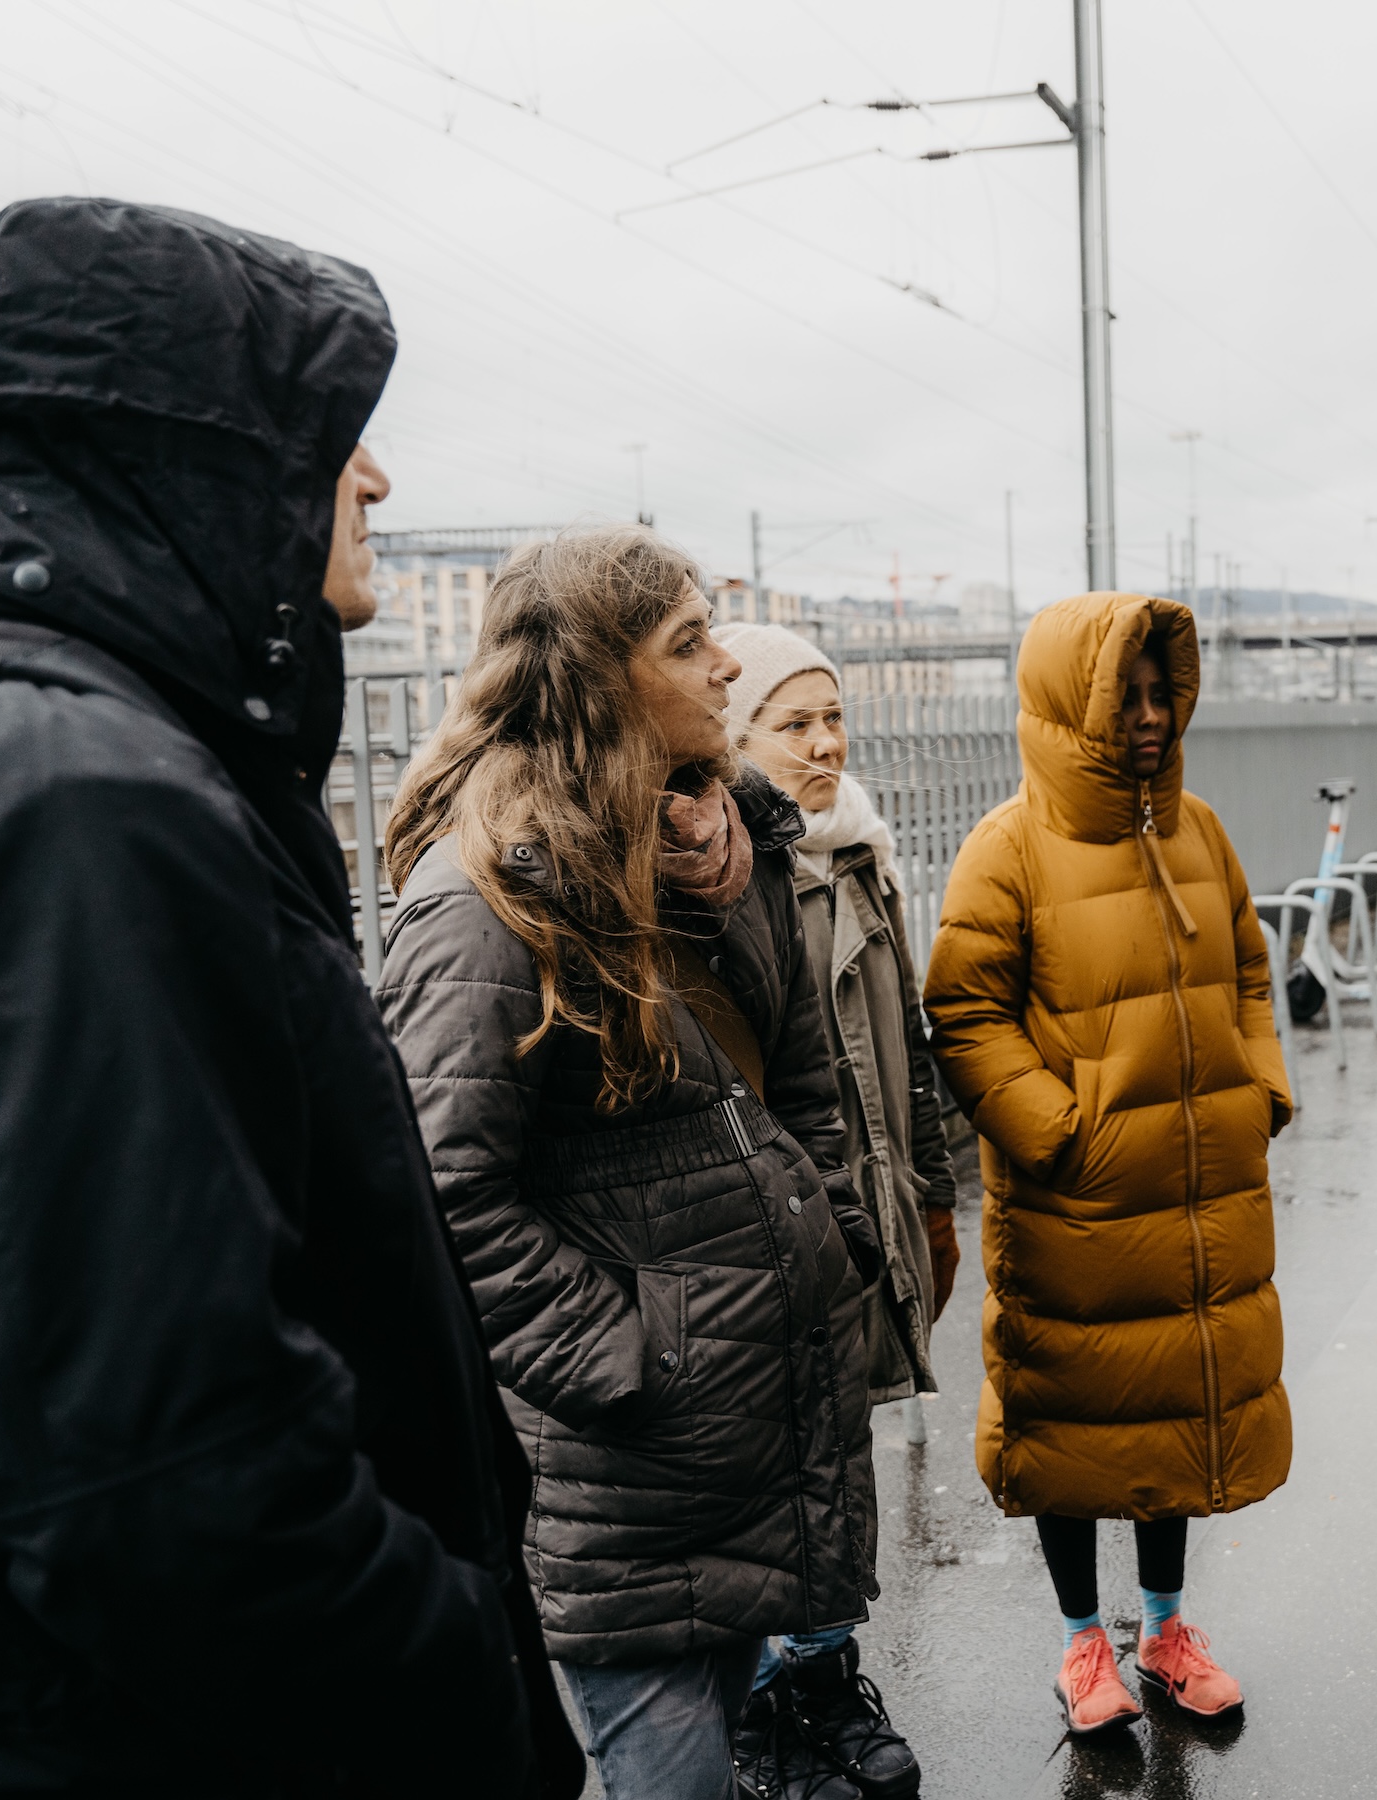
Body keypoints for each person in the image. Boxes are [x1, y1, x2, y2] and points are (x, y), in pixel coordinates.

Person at [0, 198, 581, 1796]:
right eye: (328, 437)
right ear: (179, 462)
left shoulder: (7, 750)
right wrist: (463, 1698)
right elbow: (161, 1480)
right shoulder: (67, 801)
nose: (372, 478)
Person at [376, 527, 886, 1800]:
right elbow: (440, 1192)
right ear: (601, 678)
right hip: (634, 1461)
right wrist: (629, 1354)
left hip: (742, 1415)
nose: (725, 666)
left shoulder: (721, 842)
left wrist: (830, 1242)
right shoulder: (486, 898)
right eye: (687, 642)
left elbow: (804, 1076)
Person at [923, 593, 1292, 1735]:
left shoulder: (1202, 831)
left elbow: (1247, 969)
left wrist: (1260, 1089)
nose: (1146, 716)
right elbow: (964, 1012)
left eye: (1157, 692)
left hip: (1194, 1190)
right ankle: (1086, 1645)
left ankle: (1166, 1631)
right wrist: (1056, 1133)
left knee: (1175, 1415)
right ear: (1064, 705)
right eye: (1121, 696)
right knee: (1074, 1426)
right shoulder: (1008, 848)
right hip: (1075, 1204)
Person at [718, 623, 958, 1800]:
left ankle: (821, 1674)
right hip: (761, 1223)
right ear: (732, 734)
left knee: (843, 1449)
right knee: (772, 1465)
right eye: (792, 722)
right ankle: (765, 1704)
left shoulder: (860, 854)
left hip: (868, 1206)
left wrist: (936, 1195)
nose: (824, 744)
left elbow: (905, 1046)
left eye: (833, 717)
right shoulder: (714, 872)